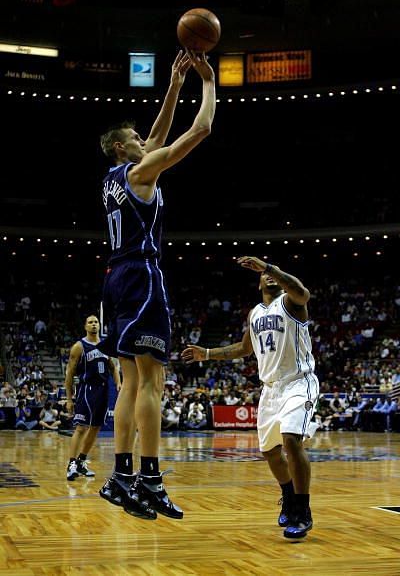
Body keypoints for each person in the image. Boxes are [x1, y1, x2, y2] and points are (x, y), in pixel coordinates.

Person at [97, 49, 216, 521]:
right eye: (136, 138)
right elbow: (198, 131)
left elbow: (159, 135)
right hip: (143, 276)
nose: (145, 139)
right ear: (125, 149)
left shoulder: (114, 178)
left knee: (129, 382)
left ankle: (121, 476)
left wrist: (172, 84)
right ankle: (149, 477)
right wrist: (207, 84)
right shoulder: (141, 171)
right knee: (152, 382)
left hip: (114, 278)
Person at [182, 256, 319, 539]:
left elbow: (301, 291)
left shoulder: (293, 301)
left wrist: (270, 268)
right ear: (258, 284)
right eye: (264, 276)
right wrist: (206, 354)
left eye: (273, 274)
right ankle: (289, 496)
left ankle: (303, 511)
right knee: (269, 451)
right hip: (270, 388)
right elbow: (245, 348)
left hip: (298, 382)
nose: (269, 278)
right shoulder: (255, 313)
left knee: (291, 440)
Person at [65, 315, 121, 481]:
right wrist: (69, 399)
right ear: (85, 326)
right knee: (81, 427)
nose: (94, 324)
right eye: (90, 322)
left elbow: (113, 367)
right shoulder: (79, 347)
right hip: (86, 389)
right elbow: (69, 374)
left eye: (96, 322)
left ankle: (82, 461)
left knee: (95, 428)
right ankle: (72, 463)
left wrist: (118, 383)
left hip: (103, 390)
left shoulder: (106, 345)